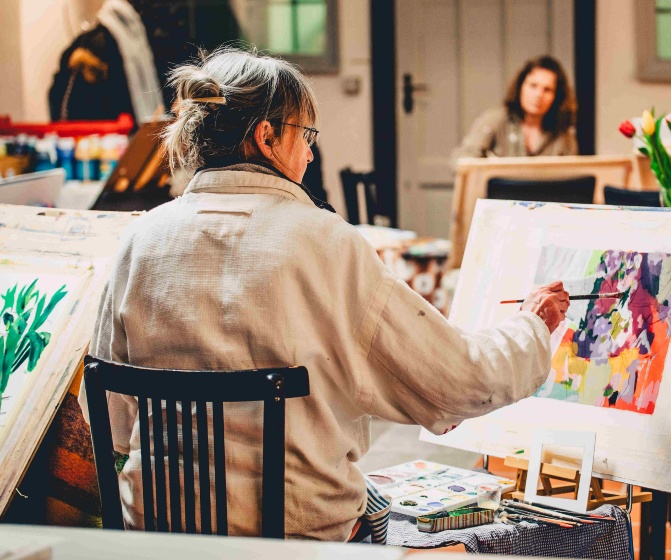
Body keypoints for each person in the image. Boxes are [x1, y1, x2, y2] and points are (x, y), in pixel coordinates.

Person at [79, 47, 570, 541]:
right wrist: (530, 326)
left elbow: (112, 423)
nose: (311, 154)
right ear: (266, 136)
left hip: (159, 536)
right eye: (305, 135)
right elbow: (457, 379)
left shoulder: (139, 240)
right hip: (295, 540)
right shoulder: (326, 241)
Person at [451, 55, 578, 165]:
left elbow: (573, 179)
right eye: (533, 86)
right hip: (498, 192)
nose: (539, 95)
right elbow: (460, 161)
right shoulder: (495, 120)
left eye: (547, 90)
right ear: (520, 86)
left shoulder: (564, 135)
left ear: (557, 97)